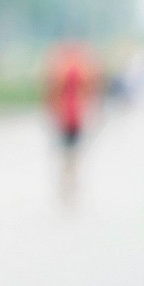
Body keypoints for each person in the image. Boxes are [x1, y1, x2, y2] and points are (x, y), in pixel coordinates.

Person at [46, 40, 97, 205]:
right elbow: (90, 90)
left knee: (65, 153)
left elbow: (50, 91)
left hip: (63, 114)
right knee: (73, 153)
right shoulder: (82, 68)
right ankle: (71, 184)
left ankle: (65, 185)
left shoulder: (58, 67)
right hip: (76, 114)